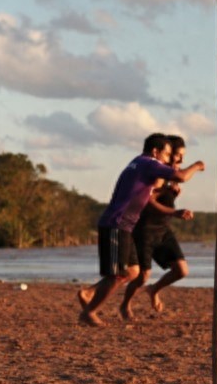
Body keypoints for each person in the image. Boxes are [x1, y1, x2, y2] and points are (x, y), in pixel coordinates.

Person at [77, 134, 204, 327]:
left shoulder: (139, 163)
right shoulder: (149, 163)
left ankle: (89, 295)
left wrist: (167, 192)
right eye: (167, 154)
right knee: (118, 275)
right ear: (156, 151)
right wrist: (197, 165)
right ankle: (89, 312)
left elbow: (145, 193)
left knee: (133, 272)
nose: (168, 159)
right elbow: (181, 176)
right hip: (116, 223)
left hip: (125, 225)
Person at [119, 135, 194, 320]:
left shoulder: (168, 174)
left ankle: (154, 289)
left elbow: (162, 198)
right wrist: (198, 165)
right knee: (142, 276)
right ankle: (125, 304)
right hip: (145, 229)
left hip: (163, 229)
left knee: (181, 270)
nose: (181, 160)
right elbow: (148, 199)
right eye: (177, 155)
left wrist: (171, 194)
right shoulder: (159, 172)